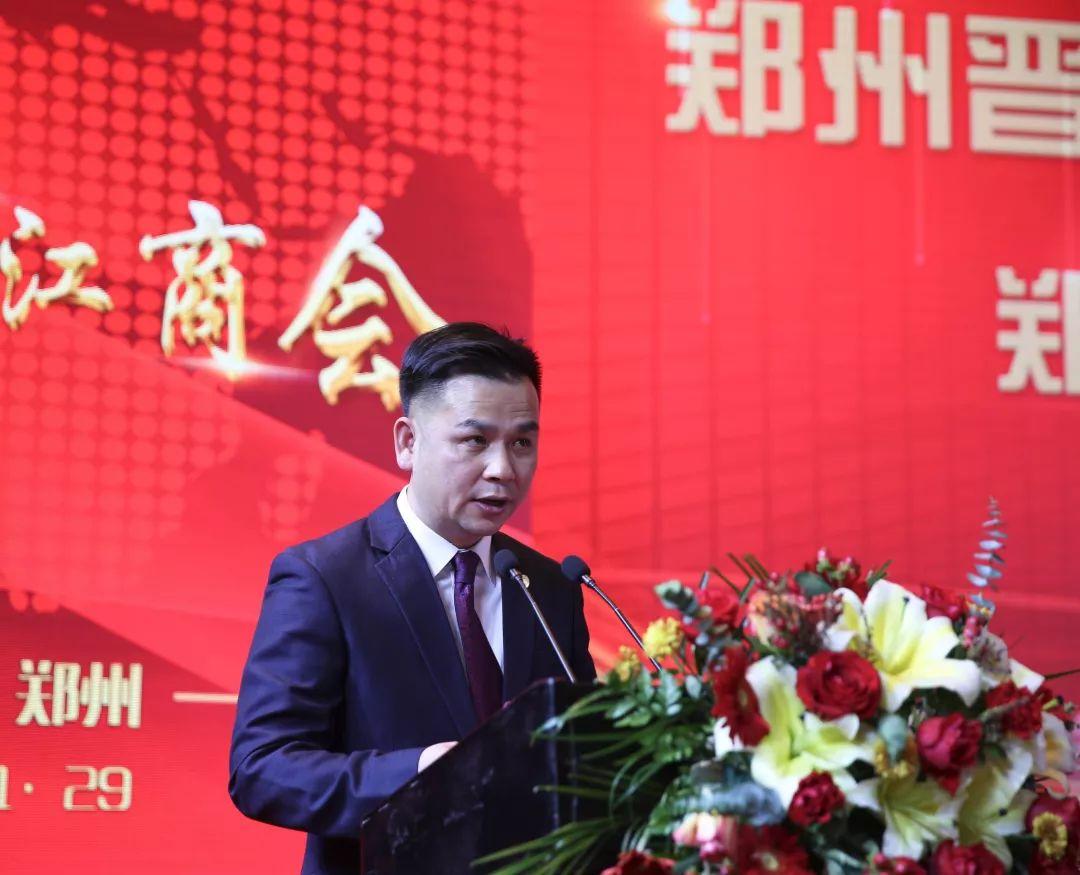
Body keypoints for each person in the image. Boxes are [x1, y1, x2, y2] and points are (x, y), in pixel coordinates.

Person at [228, 322, 596, 875]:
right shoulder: (324, 578)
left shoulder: (549, 587)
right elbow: (262, 768)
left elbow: (581, 755)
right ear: (408, 442)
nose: (503, 469)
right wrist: (420, 772)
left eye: (522, 442)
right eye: (475, 441)